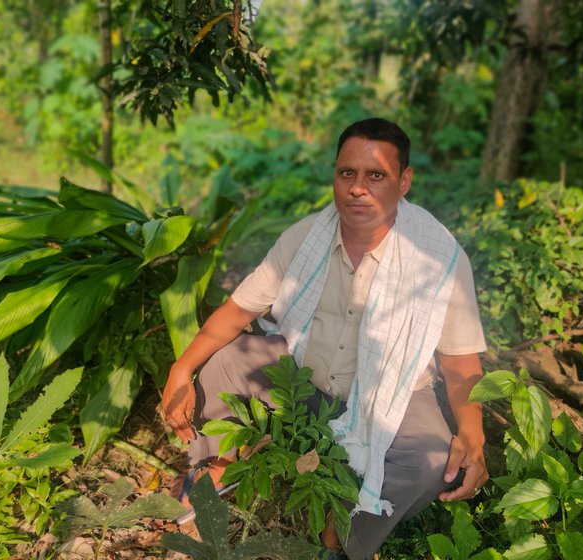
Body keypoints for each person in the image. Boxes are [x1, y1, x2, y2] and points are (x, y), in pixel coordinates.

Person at [161, 117, 488, 559]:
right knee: (226, 362)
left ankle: (339, 540)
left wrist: (473, 434)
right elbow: (238, 311)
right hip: (304, 377)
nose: (358, 188)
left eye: (377, 176)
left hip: (391, 393)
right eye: (347, 173)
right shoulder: (306, 237)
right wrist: (182, 368)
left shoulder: (438, 258)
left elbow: (460, 361)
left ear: (404, 181)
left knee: (429, 461)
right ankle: (216, 472)